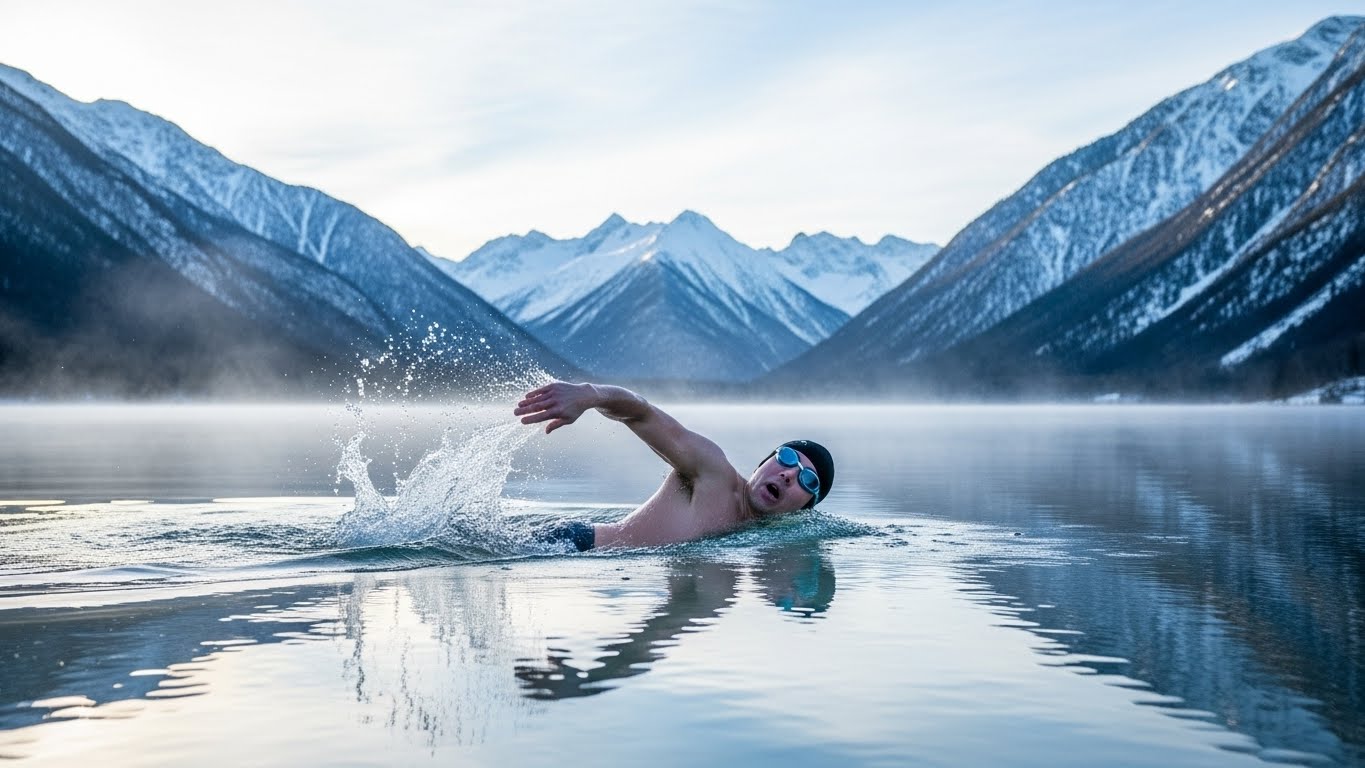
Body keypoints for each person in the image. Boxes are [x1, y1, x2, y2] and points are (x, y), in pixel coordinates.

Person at [514, 381, 834, 550]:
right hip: (573, 545)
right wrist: (589, 394)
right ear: (763, 464)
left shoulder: (768, 546)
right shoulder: (712, 472)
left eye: (808, 480)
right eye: (787, 458)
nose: (790, 474)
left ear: (805, 509)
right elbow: (642, 413)